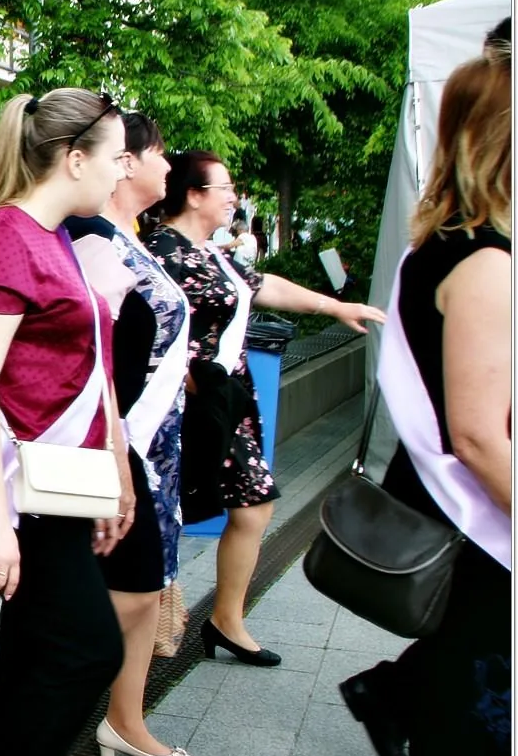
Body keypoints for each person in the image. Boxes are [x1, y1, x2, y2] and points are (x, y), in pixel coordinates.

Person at [0, 87, 132, 756]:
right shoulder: (0, 237)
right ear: (74, 159)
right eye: (115, 156)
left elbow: (79, 371)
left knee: (35, 646)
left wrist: (108, 481)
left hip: (47, 476)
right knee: (86, 648)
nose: (123, 169)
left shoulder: (50, 238)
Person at [339, 28, 511, 756]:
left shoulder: (441, 246)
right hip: (484, 532)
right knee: (491, 753)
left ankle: (389, 698)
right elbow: (476, 433)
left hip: (470, 525)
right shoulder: (483, 264)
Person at [146, 151, 384, 667]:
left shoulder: (208, 251)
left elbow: (262, 287)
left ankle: (224, 619)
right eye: (225, 188)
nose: (233, 197)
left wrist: (335, 305)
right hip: (191, 405)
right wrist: (185, 377)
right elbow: (150, 325)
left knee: (252, 504)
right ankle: (148, 618)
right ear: (194, 194)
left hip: (227, 399)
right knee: (184, 509)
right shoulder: (163, 252)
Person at [66, 112, 198, 756]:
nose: (166, 167)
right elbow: (93, 360)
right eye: (155, 154)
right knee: (132, 587)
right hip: (118, 446)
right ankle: (49, 680)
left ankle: (124, 719)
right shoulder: (91, 241)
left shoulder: (129, 240)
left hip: (151, 446)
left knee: (144, 587)